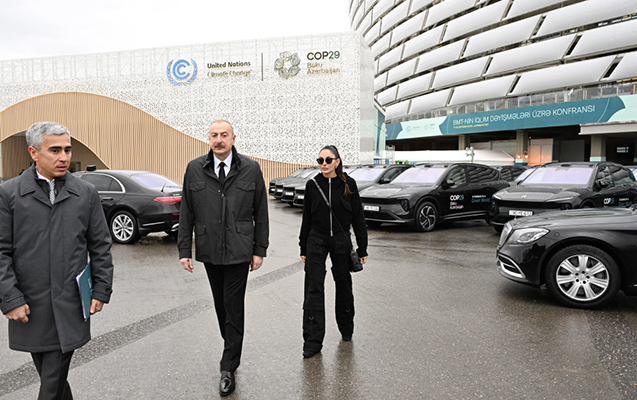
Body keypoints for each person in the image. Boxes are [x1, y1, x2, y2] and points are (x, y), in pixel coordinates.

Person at [0, 121, 114, 400]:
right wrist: (10, 298)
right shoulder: (10, 194)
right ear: (34, 152)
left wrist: (101, 289)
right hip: (30, 304)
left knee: (51, 378)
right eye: (55, 150)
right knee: (54, 377)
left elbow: (100, 245)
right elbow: (1, 251)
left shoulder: (85, 193)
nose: (64, 157)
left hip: (70, 301)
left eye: (67, 149)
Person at [178, 120, 269, 397]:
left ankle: (228, 366)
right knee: (221, 307)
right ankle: (231, 344)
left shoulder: (250, 169)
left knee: (233, 306)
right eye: (214, 135)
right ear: (209, 139)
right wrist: (184, 250)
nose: (219, 140)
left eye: (224, 135)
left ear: (233, 138)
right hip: (209, 249)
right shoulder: (195, 168)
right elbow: (187, 211)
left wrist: (259, 249)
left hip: (240, 250)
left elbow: (261, 212)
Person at [299, 145, 368, 358]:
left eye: (328, 160)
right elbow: (306, 218)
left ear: (337, 161)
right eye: (320, 160)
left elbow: (358, 218)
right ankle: (312, 341)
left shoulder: (349, 184)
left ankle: (346, 328)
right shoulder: (312, 185)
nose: (324, 164)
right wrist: (303, 246)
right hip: (316, 240)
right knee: (313, 289)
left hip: (341, 240)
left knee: (344, 285)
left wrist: (362, 247)